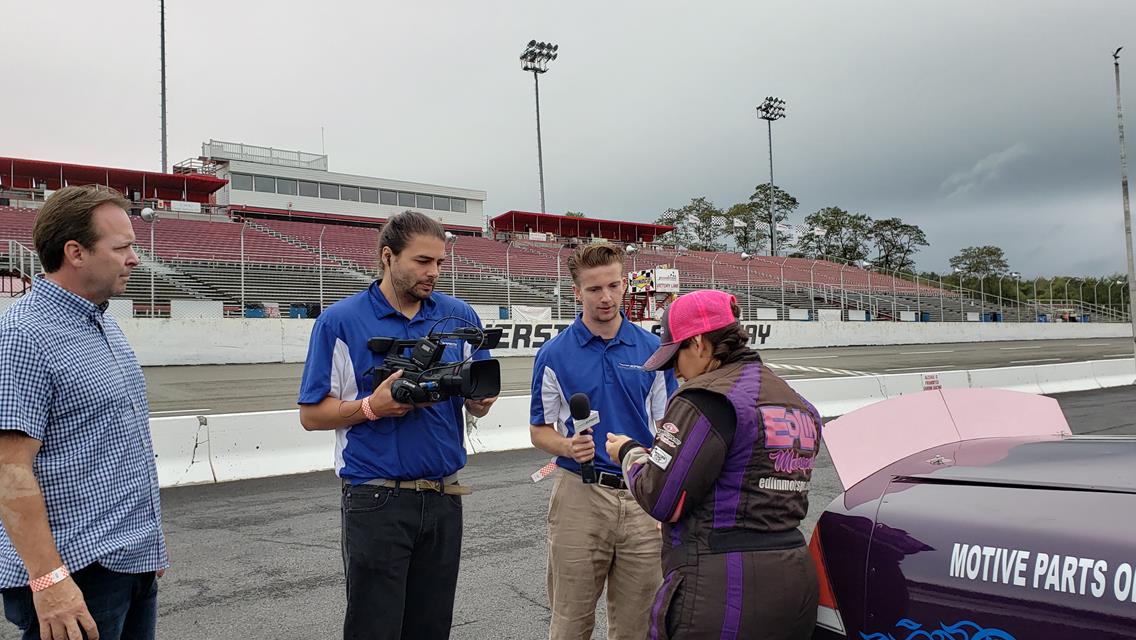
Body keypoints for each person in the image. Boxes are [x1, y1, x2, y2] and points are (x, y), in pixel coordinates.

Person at [297, 210, 497, 640]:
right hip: (376, 497)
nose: (434, 272)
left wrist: (480, 402)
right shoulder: (340, 321)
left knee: (431, 627)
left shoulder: (459, 315)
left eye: (440, 263)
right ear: (388, 257)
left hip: (444, 494)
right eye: (422, 261)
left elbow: (478, 400)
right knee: (375, 627)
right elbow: (311, 415)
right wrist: (373, 406)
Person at [0, 186, 168, 640]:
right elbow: (9, 470)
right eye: (123, 247)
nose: (135, 258)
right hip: (73, 574)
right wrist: (50, 581)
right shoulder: (23, 335)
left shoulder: (103, 323)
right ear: (75, 252)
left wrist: (146, 551)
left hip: (126, 565)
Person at [606, 289, 820, 640]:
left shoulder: (706, 398)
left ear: (701, 344)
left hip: (723, 588)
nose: (675, 370)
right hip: (793, 579)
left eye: (675, 356)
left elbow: (660, 498)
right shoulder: (799, 404)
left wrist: (630, 452)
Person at [529, 242, 678, 640]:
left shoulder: (653, 351)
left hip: (641, 496)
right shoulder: (554, 354)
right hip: (579, 494)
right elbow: (538, 429)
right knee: (570, 624)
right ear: (576, 291)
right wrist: (566, 447)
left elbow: (668, 427)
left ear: (625, 282)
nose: (607, 297)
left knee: (639, 626)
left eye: (614, 285)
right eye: (594, 289)